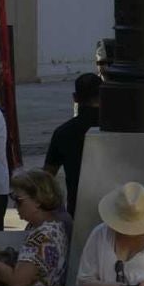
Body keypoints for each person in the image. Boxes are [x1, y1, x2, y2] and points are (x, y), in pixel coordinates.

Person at [0, 169, 70, 286]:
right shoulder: (55, 227)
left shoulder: (41, 238)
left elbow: (17, 280)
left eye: (18, 200)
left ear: (38, 201)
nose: (15, 205)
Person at [44, 73, 102, 215]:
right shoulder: (117, 127)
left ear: (75, 98)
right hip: (115, 208)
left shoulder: (63, 132)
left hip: (78, 209)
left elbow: (47, 176)